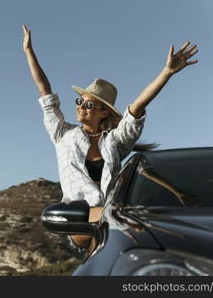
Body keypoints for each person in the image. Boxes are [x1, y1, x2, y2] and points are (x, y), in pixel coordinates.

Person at [22, 24, 198, 252]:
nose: (81, 107)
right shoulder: (63, 134)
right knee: (128, 221)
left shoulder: (114, 142)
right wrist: (29, 51)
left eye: (89, 104)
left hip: (116, 222)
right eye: (79, 102)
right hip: (80, 220)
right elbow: (44, 89)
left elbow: (136, 108)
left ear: (104, 111)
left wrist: (166, 73)